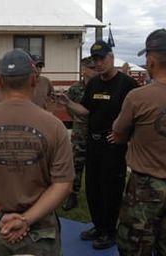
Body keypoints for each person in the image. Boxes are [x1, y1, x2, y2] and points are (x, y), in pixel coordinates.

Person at [0, 48, 74, 255]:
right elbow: (63, 183)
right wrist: (26, 220)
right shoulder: (55, 126)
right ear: (33, 80)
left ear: (0, 81)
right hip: (41, 232)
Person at [109, 29, 166, 255]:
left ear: (151, 60)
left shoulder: (138, 97)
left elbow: (118, 134)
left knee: (134, 247)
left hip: (146, 189)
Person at [59, 40, 137, 249]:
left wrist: (124, 135)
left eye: (102, 58)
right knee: (93, 188)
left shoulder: (127, 84)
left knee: (110, 189)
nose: (99, 63)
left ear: (112, 58)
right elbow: (86, 111)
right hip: (93, 144)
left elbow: (137, 115)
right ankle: (98, 225)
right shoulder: (93, 84)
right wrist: (68, 104)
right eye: (95, 60)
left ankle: (110, 231)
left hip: (113, 147)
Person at [62, 56, 97, 211]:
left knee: (96, 165)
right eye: (92, 68)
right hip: (80, 132)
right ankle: (73, 194)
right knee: (76, 164)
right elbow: (68, 108)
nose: (95, 70)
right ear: (84, 70)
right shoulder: (75, 89)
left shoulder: (100, 87)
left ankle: (95, 195)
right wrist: (78, 120)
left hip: (97, 131)